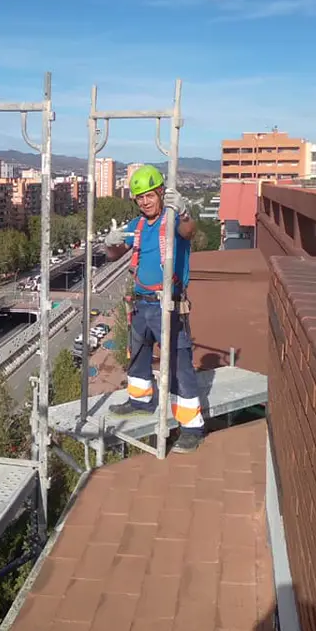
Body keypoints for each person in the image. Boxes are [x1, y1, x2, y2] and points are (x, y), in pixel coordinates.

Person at [104, 165, 204, 452]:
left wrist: (184, 213)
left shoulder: (172, 220)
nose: (145, 202)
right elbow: (114, 256)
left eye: (149, 195)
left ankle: (192, 426)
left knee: (178, 363)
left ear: (161, 193)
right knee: (138, 355)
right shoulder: (136, 226)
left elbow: (189, 231)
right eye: (139, 198)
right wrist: (110, 244)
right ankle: (140, 400)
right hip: (141, 303)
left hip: (167, 304)